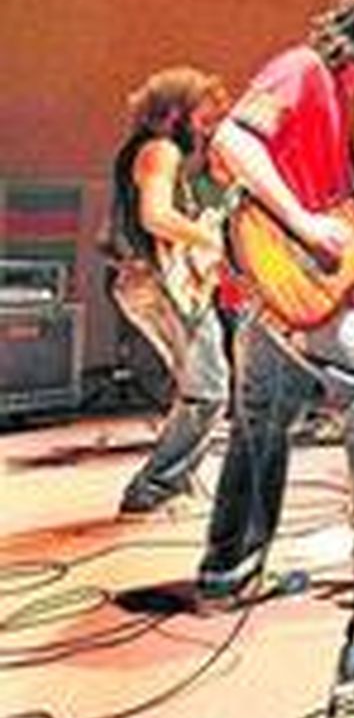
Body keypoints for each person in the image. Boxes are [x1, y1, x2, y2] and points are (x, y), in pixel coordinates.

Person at [196, 0, 354, 605]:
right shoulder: (302, 69)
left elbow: (339, 219)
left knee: (262, 421)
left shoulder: (340, 97)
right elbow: (232, 141)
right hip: (280, 271)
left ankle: (227, 573)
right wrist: (305, 227)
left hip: (276, 280)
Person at [105, 67, 233, 516]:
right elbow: (155, 216)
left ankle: (173, 481)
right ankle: (154, 488)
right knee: (208, 390)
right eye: (203, 114)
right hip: (156, 283)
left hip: (152, 281)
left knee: (199, 387)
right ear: (175, 111)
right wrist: (209, 240)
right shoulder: (159, 151)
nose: (209, 123)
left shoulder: (152, 152)